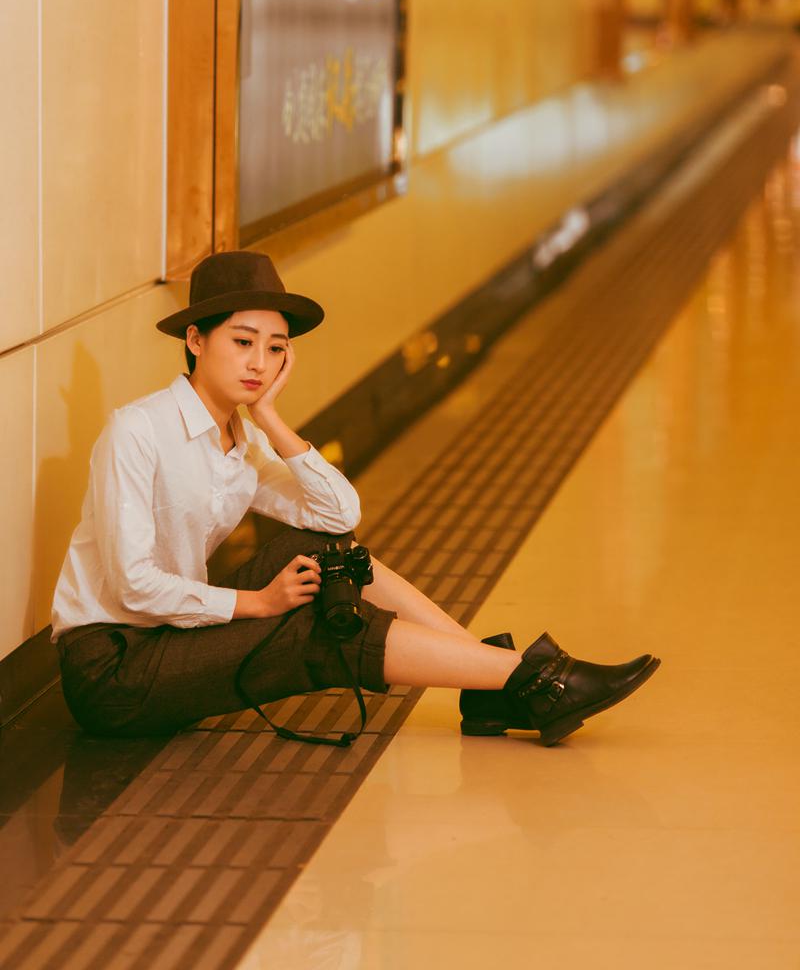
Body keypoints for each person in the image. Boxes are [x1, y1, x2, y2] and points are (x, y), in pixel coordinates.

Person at [51, 251, 660, 745]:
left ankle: (491, 683)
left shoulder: (243, 440)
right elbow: (133, 586)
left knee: (324, 550)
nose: (259, 362)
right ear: (195, 339)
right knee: (316, 631)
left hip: (171, 635)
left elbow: (338, 516)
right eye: (242, 341)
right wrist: (258, 603)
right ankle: (534, 679)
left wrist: (271, 418)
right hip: (115, 670)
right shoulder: (137, 431)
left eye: (276, 347)